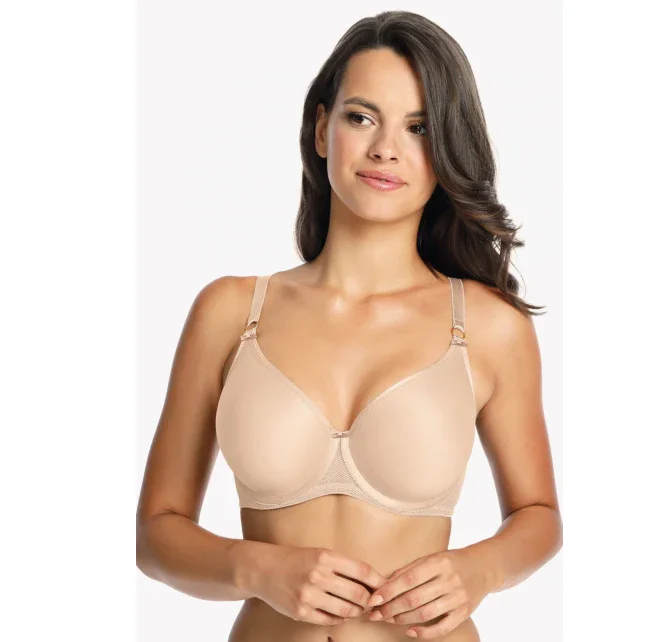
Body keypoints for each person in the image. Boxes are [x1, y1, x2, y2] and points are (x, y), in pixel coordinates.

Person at [136, 10, 562, 642]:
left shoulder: (488, 326)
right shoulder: (229, 312)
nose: (386, 148)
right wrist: (258, 567)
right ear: (320, 129)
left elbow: (539, 514)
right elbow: (156, 534)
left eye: (419, 128)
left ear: (446, 150)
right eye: (361, 117)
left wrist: (482, 568)